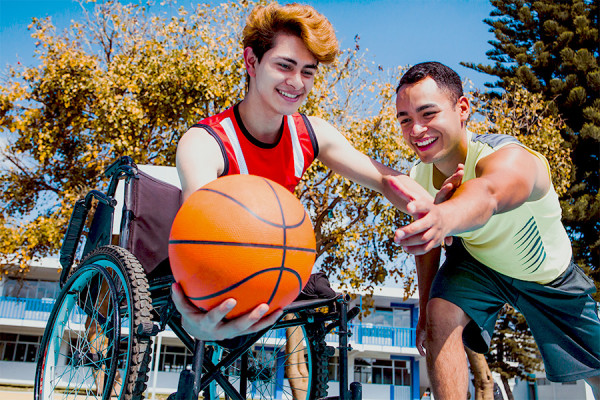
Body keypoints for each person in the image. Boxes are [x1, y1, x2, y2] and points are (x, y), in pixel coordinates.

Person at [170, 5, 461, 343]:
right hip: (227, 268)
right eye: (284, 66)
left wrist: (435, 212)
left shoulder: (310, 132)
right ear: (251, 62)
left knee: (322, 308)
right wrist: (195, 320)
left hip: (277, 264)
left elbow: (384, 179)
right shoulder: (204, 143)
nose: (297, 83)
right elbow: (200, 239)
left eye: (307, 72)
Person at [386, 61, 600, 400]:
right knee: (440, 314)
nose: (416, 130)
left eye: (428, 114)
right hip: (479, 264)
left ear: (463, 109)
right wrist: (424, 308)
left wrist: (445, 214)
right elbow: (428, 242)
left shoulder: (509, 156)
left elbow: (488, 193)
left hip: (548, 277)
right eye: (405, 120)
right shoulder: (419, 176)